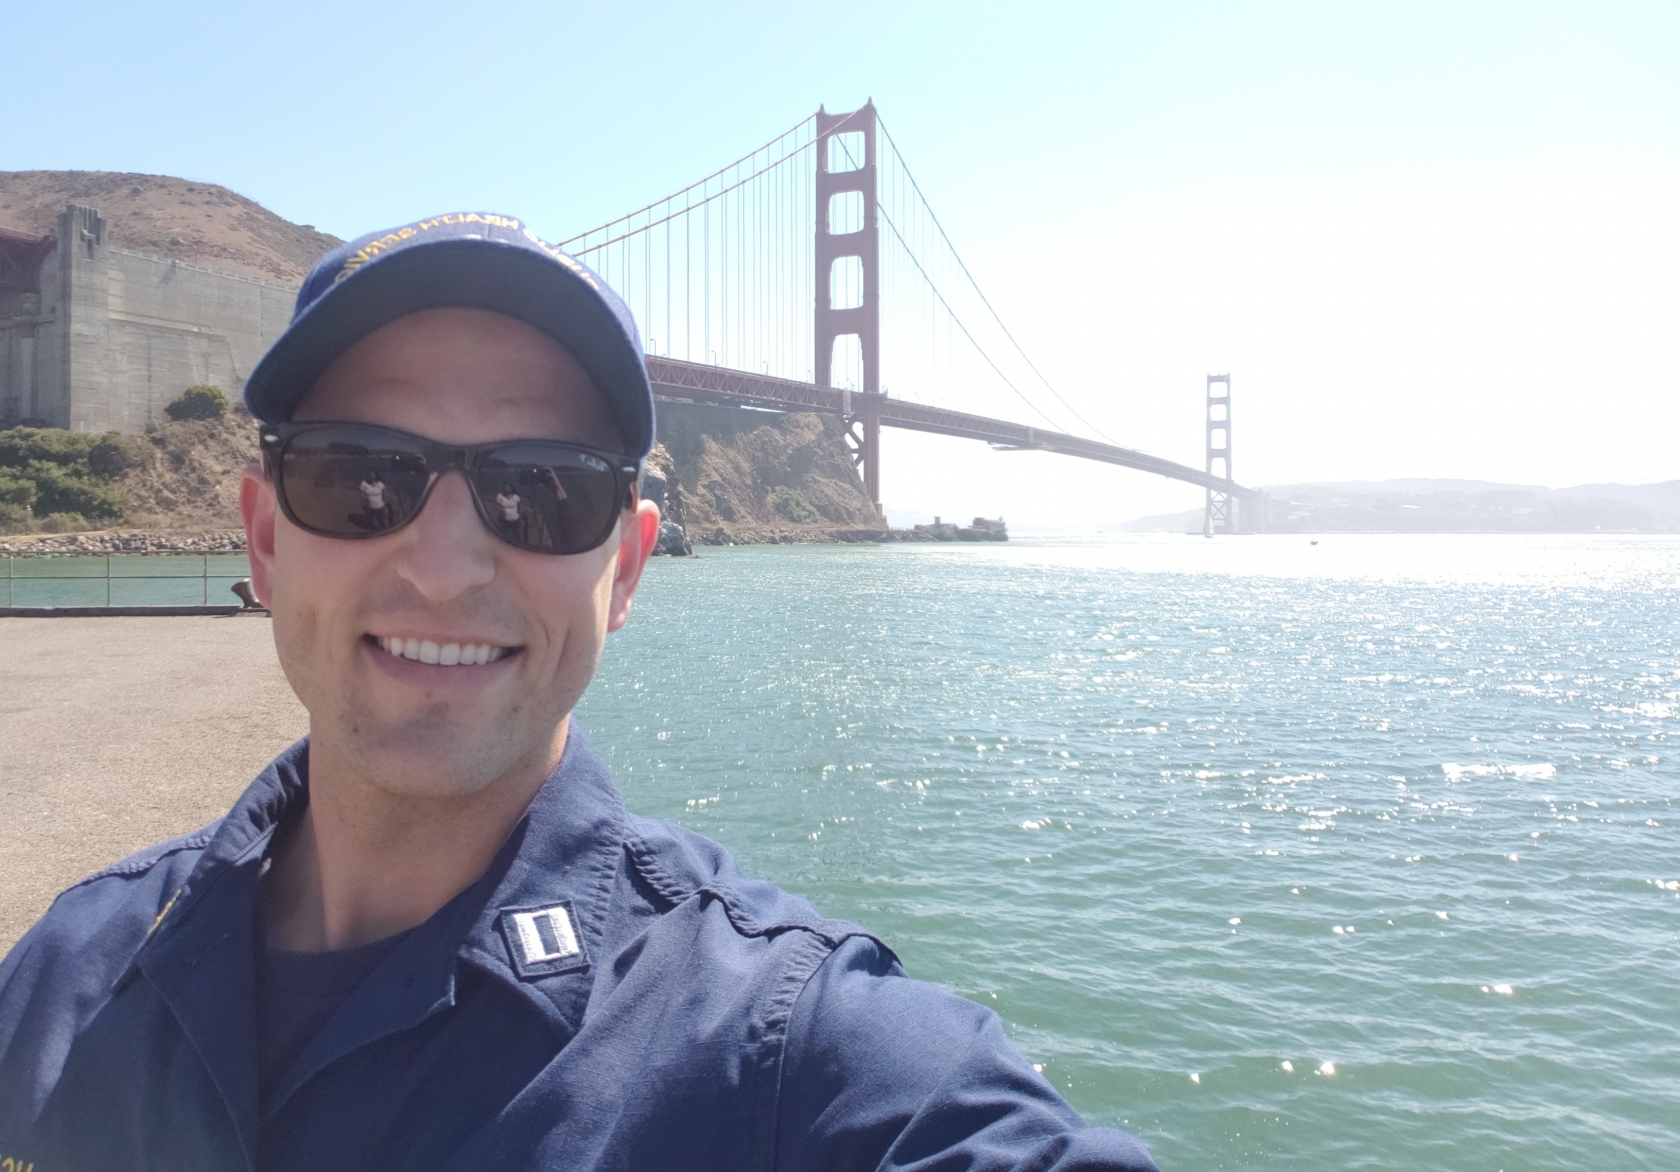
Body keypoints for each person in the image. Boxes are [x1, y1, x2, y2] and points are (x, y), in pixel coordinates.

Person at [0, 213, 1160, 1172]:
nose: (444, 567)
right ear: (261, 541)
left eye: (542, 491)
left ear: (628, 570)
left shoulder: (777, 1049)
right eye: (360, 476)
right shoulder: (69, 969)